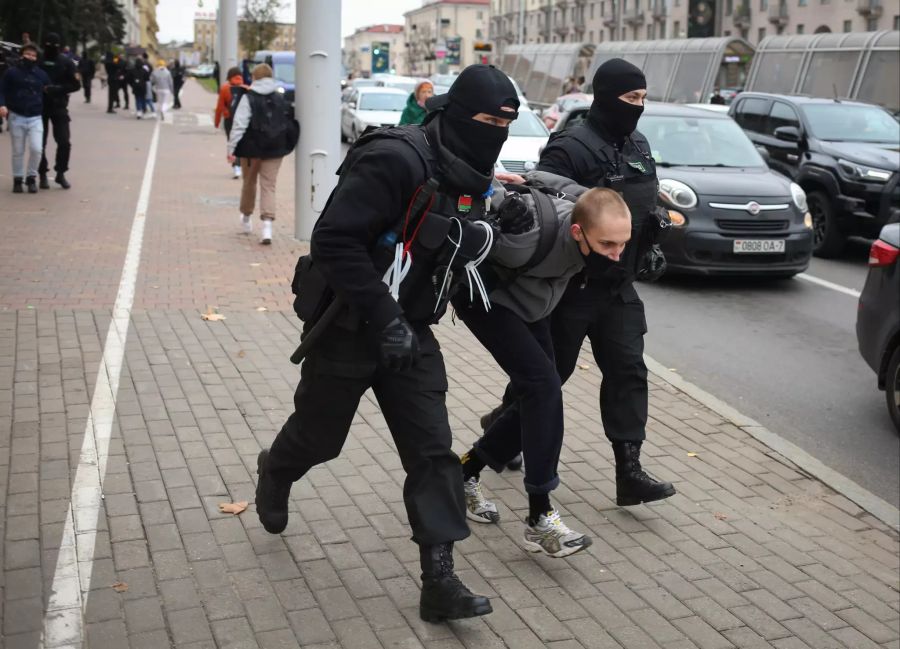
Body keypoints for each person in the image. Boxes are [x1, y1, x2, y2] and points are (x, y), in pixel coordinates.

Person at [255, 64, 519, 623]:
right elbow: (333, 240)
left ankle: (439, 580)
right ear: (453, 112)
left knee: (433, 453)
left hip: (412, 334)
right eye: (488, 118)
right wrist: (384, 317)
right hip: (351, 324)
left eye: (506, 122)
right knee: (320, 438)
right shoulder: (395, 158)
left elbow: (449, 242)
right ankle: (276, 469)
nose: (496, 129)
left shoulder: (469, 169)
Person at [481, 58, 676, 507]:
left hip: (620, 286)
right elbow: (544, 204)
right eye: (631, 98)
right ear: (606, 97)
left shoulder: (638, 142)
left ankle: (629, 472)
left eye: (644, 98)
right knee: (549, 375)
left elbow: (643, 197)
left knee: (628, 371)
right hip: (572, 286)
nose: (638, 107)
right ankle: (500, 432)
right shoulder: (570, 145)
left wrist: (654, 229)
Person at [455, 175, 631, 558]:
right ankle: (539, 517)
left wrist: (529, 178)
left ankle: (464, 472)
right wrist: (497, 195)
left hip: (533, 303)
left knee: (537, 395)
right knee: (543, 387)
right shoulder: (528, 237)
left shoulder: (591, 217)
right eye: (607, 245)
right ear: (578, 232)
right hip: (488, 301)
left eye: (622, 245)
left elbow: (570, 187)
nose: (616, 254)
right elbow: (474, 214)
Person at [227, 63, 295, 244]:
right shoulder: (280, 97)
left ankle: (247, 218)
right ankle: (267, 227)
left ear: (254, 78)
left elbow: (239, 125)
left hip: (251, 150)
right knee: (269, 186)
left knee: (249, 183)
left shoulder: (248, 97)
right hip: (275, 149)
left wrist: (231, 149)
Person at [0, 42, 50, 193]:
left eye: (33, 55)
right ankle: (17, 179)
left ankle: (31, 177)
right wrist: (2, 105)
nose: (30, 57)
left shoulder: (41, 74)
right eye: (27, 54)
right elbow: (1, 90)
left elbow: (49, 90)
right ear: (22, 55)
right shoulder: (11, 73)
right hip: (16, 116)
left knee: (36, 148)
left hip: (35, 116)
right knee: (18, 150)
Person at [38, 33, 80, 190]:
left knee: (64, 142)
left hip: (59, 106)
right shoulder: (38, 59)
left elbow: (76, 85)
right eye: (48, 45)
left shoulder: (66, 62)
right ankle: (42, 173)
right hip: (39, 107)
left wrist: (58, 89)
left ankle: (60, 173)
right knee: (39, 144)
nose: (51, 48)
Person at [215, 66, 247, 178]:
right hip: (243, 120)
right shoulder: (246, 88)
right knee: (242, 142)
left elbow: (219, 107)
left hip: (230, 120)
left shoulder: (224, 89)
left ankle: (236, 166)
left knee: (232, 142)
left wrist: (217, 122)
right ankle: (243, 165)